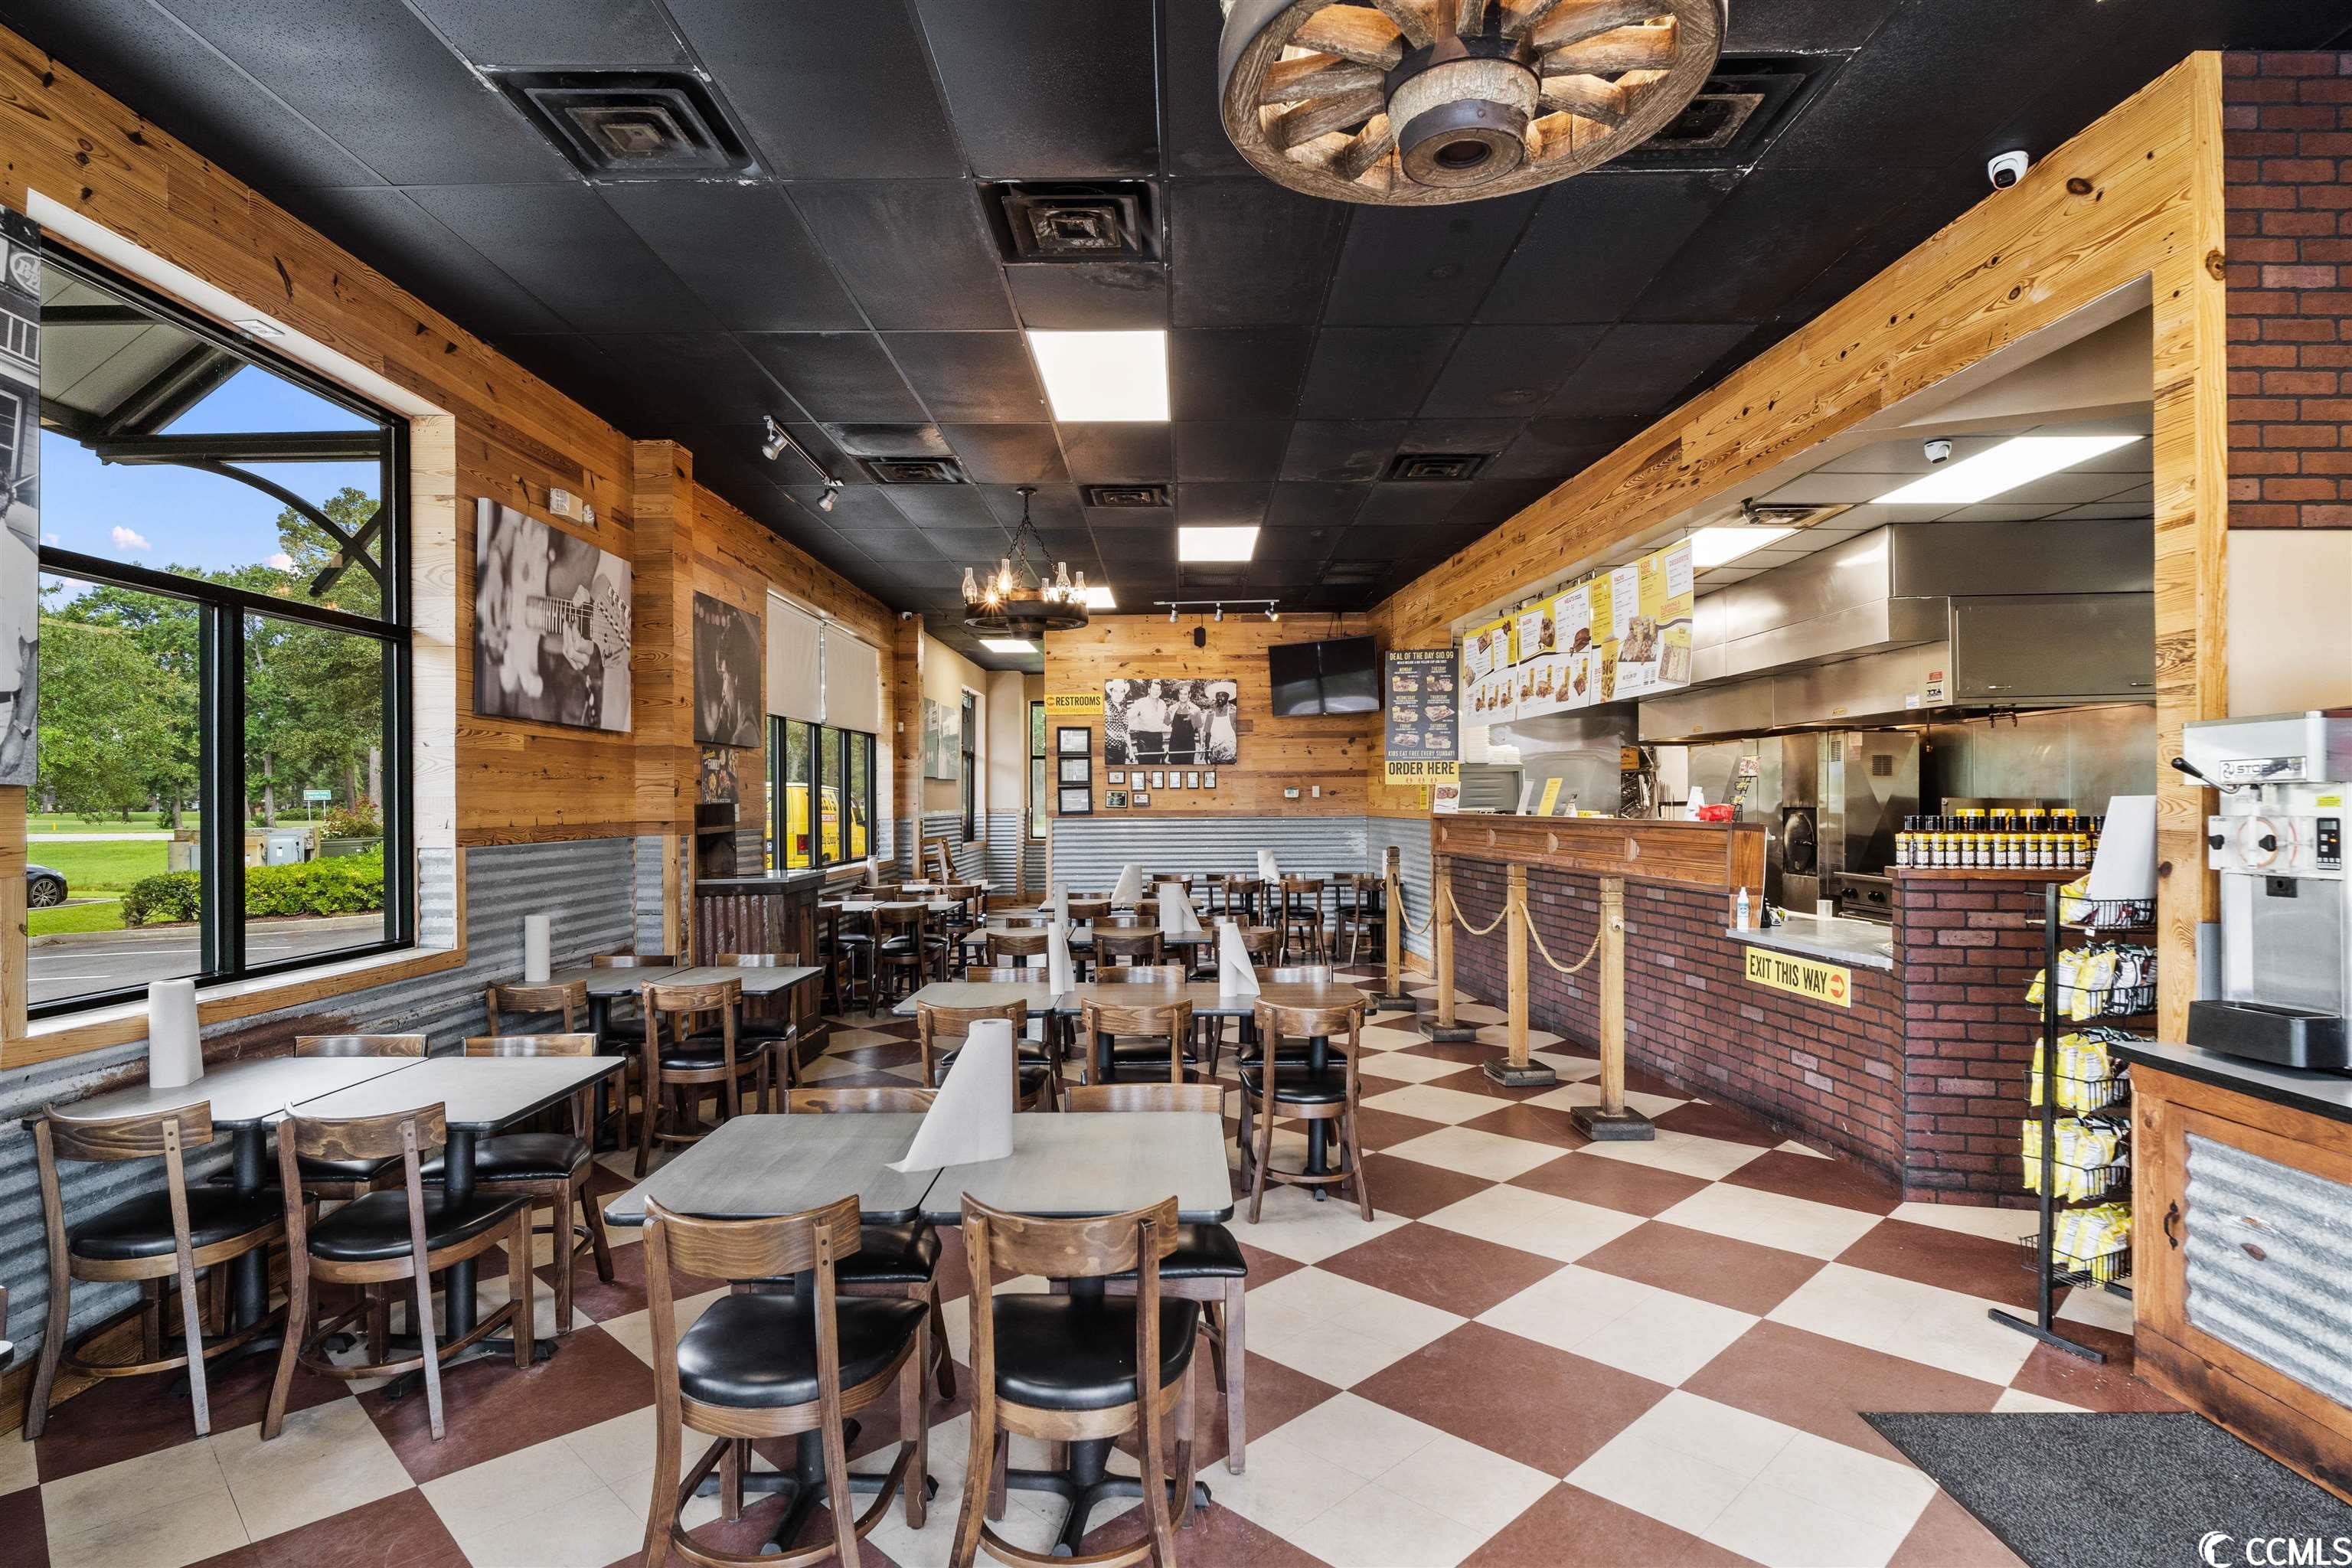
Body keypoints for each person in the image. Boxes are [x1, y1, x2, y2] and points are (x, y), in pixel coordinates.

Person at [1125, 681, 1171, 767]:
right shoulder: (1140, 702)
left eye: (1158, 690)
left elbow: (1166, 721)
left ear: (1161, 692)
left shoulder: (1162, 704)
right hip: (1144, 739)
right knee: (1145, 767)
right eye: (1153, 689)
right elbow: (1128, 718)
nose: (1156, 692)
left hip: (1158, 738)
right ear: (1149, 690)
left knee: (1156, 767)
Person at [1168, 684, 1203, 764]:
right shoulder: (1172, 708)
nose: (1183, 696)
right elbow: (1163, 724)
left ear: (1189, 695)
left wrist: (1201, 746)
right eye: (1181, 694)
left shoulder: (1196, 710)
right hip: (1174, 745)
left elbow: (1200, 729)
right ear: (1178, 695)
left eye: (1185, 694)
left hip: (1189, 745)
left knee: (1188, 768)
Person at [1205, 688, 1238, 764]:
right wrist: (1206, 752)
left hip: (1230, 750)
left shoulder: (1233, 711)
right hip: (1214, 750)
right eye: (1218, 696)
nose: (1220, 698)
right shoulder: (1211, 712)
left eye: (1223, 695)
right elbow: (1207, 733)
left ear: (1228, 697)